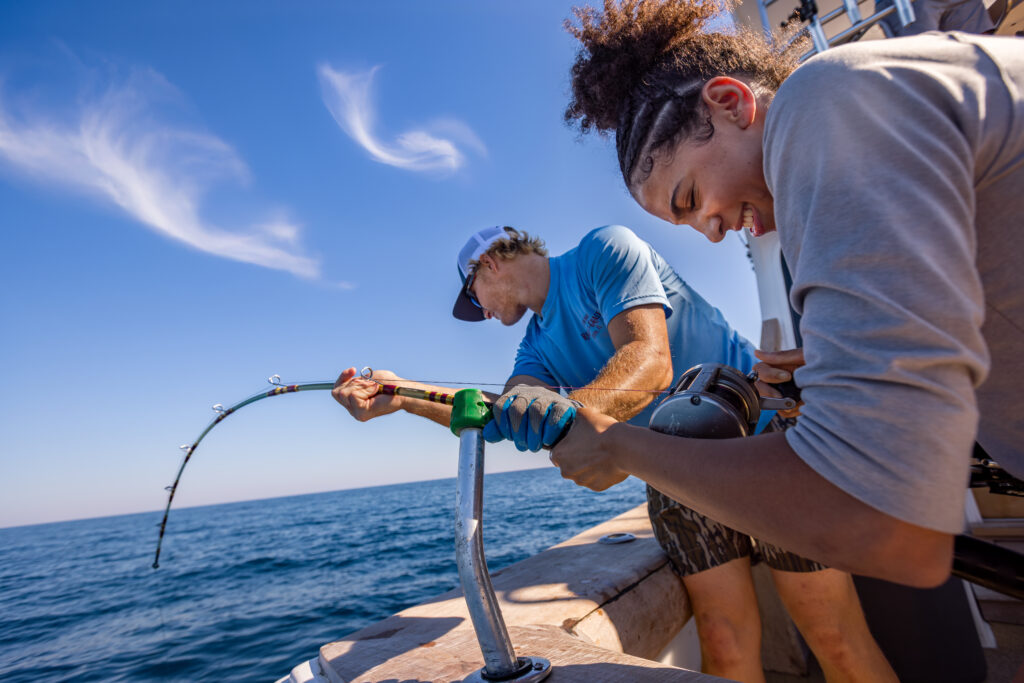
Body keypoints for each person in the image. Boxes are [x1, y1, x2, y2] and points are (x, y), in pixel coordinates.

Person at [484, 0, 1023, 589]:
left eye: (689, 198)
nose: (712, 231)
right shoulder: (852, 116)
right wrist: (837, 370)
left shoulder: (822, 104)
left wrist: (621, 448)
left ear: (730, 102)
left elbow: (886, 525)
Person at [332, 225, 895, 682]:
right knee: (723, 645)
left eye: (471, 296)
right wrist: (403, 395)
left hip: (763, 445)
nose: (477, 312)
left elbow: (651, 362)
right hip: (672, 473)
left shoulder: (605, 249)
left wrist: (579, 423)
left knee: (835, 637)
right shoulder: (534, 344)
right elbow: (508, 412)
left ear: (491, 264)